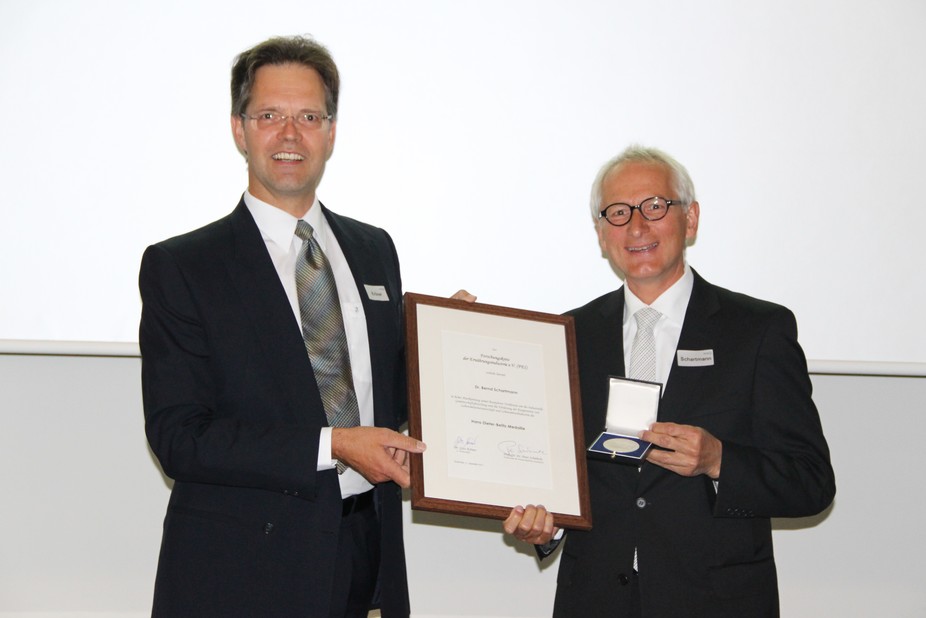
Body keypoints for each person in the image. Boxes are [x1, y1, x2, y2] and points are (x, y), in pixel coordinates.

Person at [139, 35, 469, 617]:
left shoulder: (374, 249)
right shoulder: (184, 266)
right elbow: (181, 437)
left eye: (309, 117)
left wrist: (450, 350)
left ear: (332, 132)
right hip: (243, 572)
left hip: (368, 552)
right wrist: (335, 444)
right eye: (270, 115)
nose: (290, 135)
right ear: (239, 130)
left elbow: (387, 393)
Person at [503, 145, 835, 617]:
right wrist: (547, 524)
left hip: (717, 602)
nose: (636, 226)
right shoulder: (566, 336)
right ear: (600, 233)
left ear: (691, 219)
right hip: (594, 601)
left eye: (655, 207)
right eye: (617, 213)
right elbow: (554, 472)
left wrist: (720, 461)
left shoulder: (757, 330)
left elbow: (812, 482)